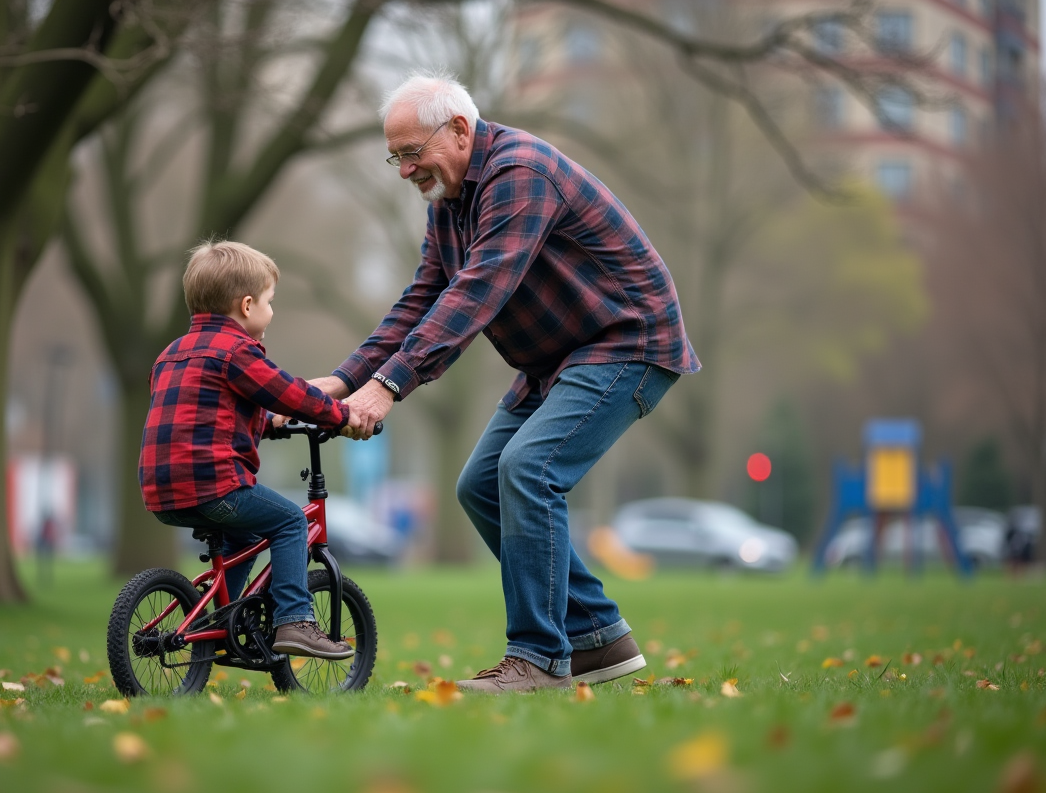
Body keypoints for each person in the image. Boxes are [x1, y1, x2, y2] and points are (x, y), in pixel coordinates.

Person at [309, 74, 700, 692]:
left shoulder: (521, 174)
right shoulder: (448, 204)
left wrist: (388, 386)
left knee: (528, 469)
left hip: (627, 342)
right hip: (560, 359)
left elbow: (477, 291)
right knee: (481, 485)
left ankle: (539, 659)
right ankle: (598, 636)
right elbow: (422, 300)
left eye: (412, 152)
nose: (405, 170)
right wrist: (344, 379)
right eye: (395, 157)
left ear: (460, 130)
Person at [138, 240, 360, 660]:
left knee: (242, 535)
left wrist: (267, 423)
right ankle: (295, 621)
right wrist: (341, 414)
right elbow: (289, 393)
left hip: (160, 489)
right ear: (246, 305)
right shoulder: (236, 351)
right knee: (290, 520)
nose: (271, 311)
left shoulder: (170, 354)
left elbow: (210, 414)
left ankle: (220, 620)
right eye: (269, 302)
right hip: (214, 485)